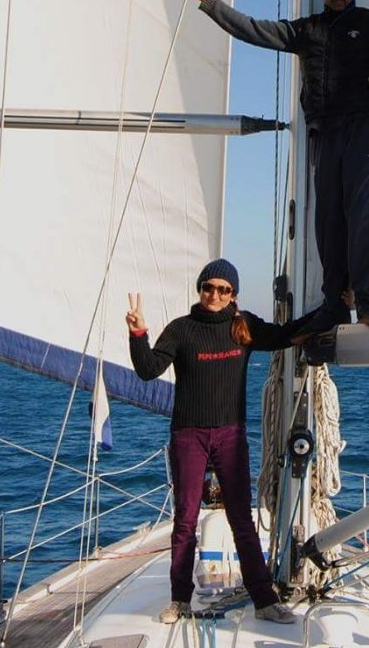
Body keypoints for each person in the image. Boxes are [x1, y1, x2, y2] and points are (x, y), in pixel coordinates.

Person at [185, 0, 369, 328]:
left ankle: (367, 300)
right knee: (327, 218)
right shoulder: (308, 30)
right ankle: (335, 300)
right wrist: (209, 0)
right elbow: (253, 30)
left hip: (363, 128)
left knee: (360, 212)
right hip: (325, 132)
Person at [126, 257, 304, 624]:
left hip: (230, 435)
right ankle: (179, 601)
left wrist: (330, 314)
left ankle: (265, 600)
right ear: (200, 289)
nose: (215, 295)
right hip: (188, 435)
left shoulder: (243, 327)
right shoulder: (181, 330)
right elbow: (148, 370)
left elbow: (285, 335)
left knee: (242, 520)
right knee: (185, 521)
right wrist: (138, 334)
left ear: (233, 294)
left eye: (224, 290)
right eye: (209, 287)